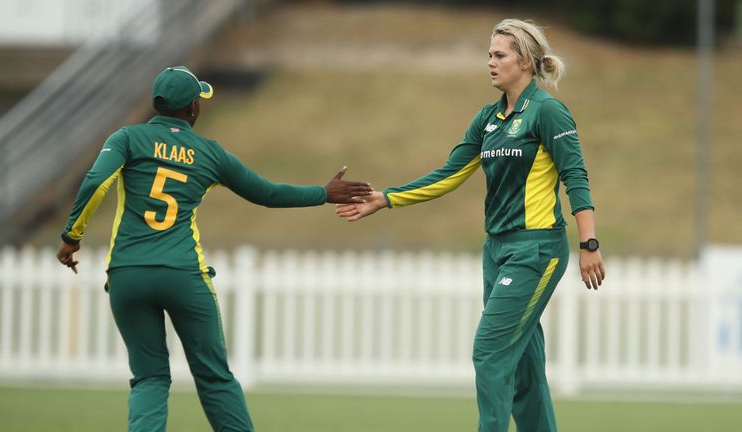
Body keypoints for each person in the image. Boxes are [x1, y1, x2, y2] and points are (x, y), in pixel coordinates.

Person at [56, 65, 372, 432]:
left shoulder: (127, 138)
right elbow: (266, 193)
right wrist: (322, 193)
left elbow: (96, 180)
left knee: (149, 378)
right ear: (192, 109)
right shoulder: (209, 153)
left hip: (128, 274)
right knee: (214, 377)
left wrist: (71, 237)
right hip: (184, 276)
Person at [336, 19, 605, 432]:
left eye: (499, 55)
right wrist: (385, 198)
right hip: (496, 252)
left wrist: (589, 244)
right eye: (489, 55)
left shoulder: (547, 112)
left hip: (535, 251)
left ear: (527, 62)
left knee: (490, 351)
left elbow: (576, 177)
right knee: (526, 367)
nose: (491, 63)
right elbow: (448, 175)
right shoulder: (488, 119)